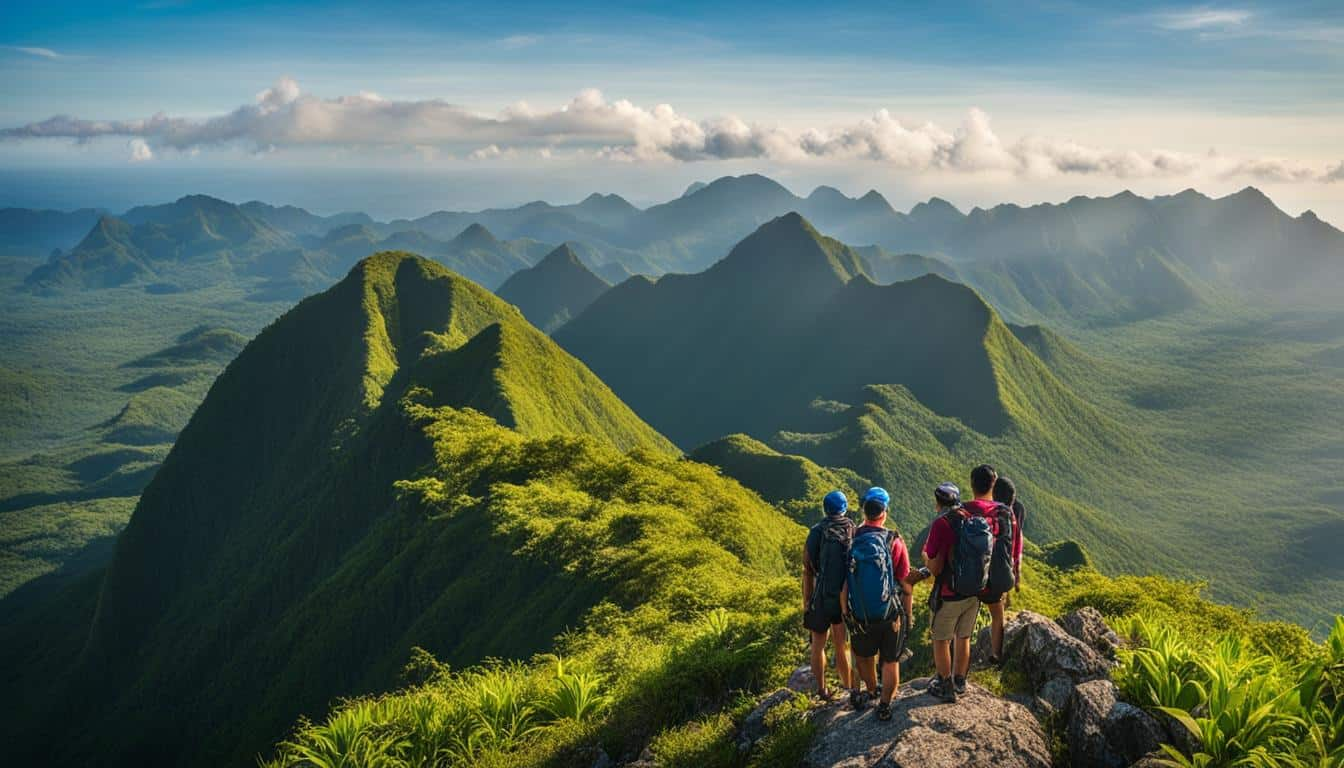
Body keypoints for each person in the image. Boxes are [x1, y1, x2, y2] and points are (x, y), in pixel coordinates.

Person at [923, 466, 999, 702]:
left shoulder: (941, 525)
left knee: (941, 639)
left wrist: (925, 556)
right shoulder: (973, 519)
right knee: (963, 637)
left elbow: (935, 568)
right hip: (974, 591)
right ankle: (960, 681)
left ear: (938, 503)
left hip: (949, 593)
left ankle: (945, 687)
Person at [839, 487, 912, 722]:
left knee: (864, 658)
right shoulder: (894, 541)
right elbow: (905, 580)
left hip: (861, 613)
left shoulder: (850, 540)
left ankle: (871, 691)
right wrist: (907, 614)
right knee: (890, 661)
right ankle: (885, 705)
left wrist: (845, 612)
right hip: (889, 613)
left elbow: (844, 582)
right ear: (885, 513)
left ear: (864, 510)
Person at [802, 490, 854, 700]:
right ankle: (848, 687)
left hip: (822, 595)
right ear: (844, 508)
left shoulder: (817, 531)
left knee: (818, 644)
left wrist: (807, 601)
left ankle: (822, 689)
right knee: (842, 645)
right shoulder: (852, 528)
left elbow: (807, 569)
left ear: (825, 509)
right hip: (843, 596)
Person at [984, 475, 1025, 664]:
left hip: (975, 575)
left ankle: (957, 666)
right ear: (1012, 498)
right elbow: (1016, 551)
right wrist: (1016, 576)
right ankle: (996, 654)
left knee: (964, 620)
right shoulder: (1012, 519)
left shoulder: (982, 512)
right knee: (997, 615)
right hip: (999, 575)